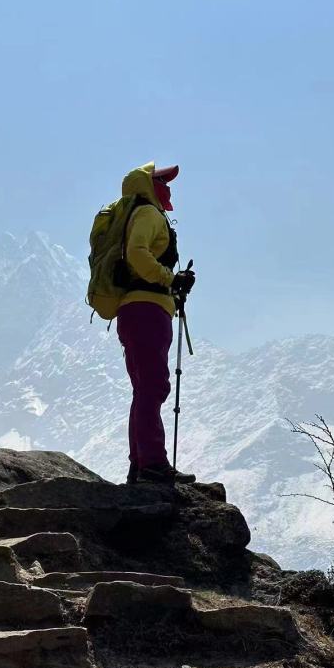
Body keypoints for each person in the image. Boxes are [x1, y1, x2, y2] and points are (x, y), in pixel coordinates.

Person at [115, 163, 197, 485]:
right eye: (163, 181)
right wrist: (170, 278)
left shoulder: (135, 215)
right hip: (148, 310)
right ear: (150, 186)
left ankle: (140, 465)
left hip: (134, 310)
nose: (169, 187)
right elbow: (138, 254)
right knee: (153, 388)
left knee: (144, 389)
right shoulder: (148, 214)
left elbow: (134, 257)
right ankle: (152, 464)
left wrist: (170, 287)